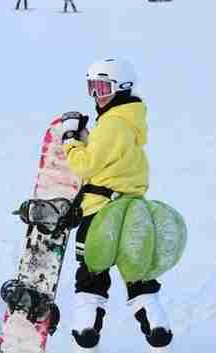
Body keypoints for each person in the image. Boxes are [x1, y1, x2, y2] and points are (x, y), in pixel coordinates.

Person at [61, 58, 173, 353]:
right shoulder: (130, 123)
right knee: (138, 272)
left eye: (103, 87)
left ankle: (86, 336)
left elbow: (85, 166)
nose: (97, 95)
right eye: (92, 87)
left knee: (92, 272)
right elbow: (110, 157)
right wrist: (89, 137)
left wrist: (71, 139)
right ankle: (158, 330)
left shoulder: (111, 124)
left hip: (101, 213)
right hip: (134, 213)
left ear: (122, 88)